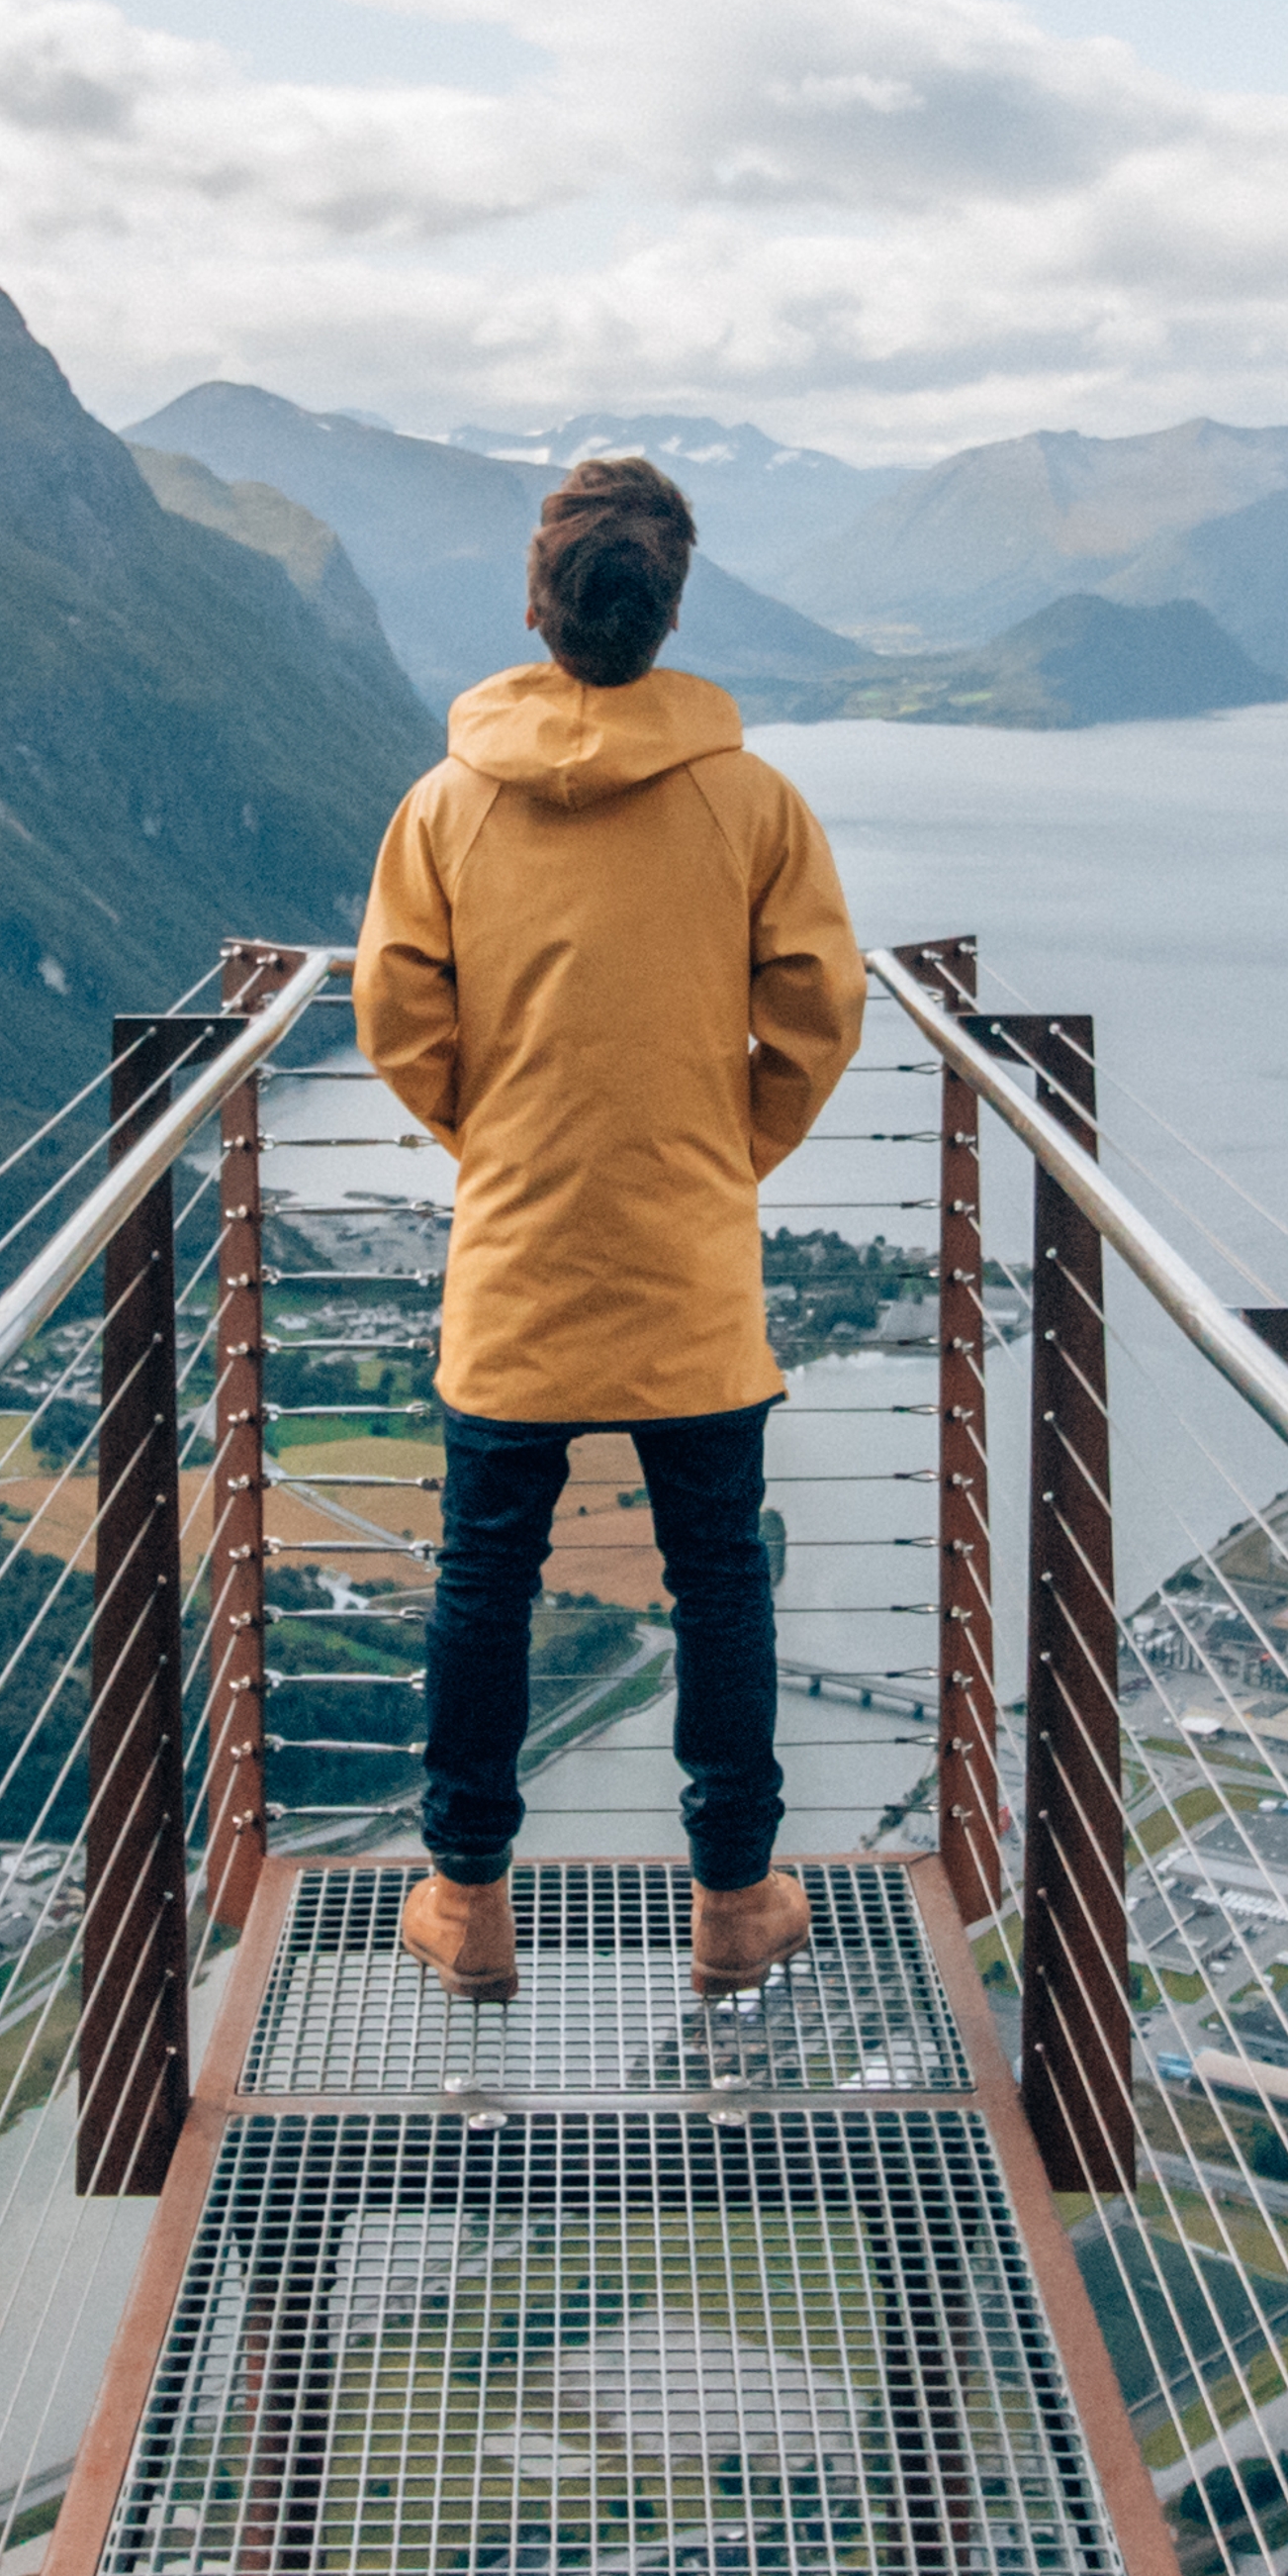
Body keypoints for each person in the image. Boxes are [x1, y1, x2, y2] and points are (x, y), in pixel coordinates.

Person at [353, 452, 866, 2001]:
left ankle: (469, 1905)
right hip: (689, 1265)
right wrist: (725, 1151)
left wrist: (497, 1143)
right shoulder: (755, 803)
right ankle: (732, 1903)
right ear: (672, 604)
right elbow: (817, 1012)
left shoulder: (444, 806)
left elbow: (396, 1017)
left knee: (482, 1583)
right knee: (718, 1577)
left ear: (537, 604)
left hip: (515, 1265)